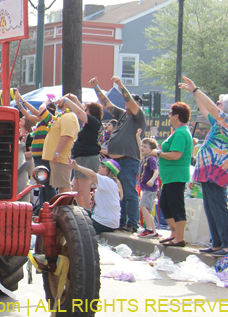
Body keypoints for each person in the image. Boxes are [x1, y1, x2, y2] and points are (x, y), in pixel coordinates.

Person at [178, 75, 228, 256]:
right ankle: (216, 244)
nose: (216, 104)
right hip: (209, 172)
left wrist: (196, 89)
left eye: (219, 102)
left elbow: (212, 109)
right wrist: (194, 93)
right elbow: (206, 110)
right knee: (210, 207)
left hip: (218, 172)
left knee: (218, 207)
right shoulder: (221, 123)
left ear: (227, 108)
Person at [91, 75, 145, 232]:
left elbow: (130, 102)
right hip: (116, 162)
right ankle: (121, 221)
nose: (127, 104)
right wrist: (96, 88)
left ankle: (132, 223)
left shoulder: (138, 116)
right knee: (118, 192)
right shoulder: (122, 115)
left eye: (131, 102)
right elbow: (107, 104)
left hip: (129, 160)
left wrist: (120, 84)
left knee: (129, 193)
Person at [151, 101, 193, 248]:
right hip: (169, 177)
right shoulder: (177, 131)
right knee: (164, 204)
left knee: (176, 206)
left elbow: (176, 155)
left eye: (170, 113)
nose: (168, 116)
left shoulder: (181, 133)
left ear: (176, 116)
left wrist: (158, 153)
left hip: (176, 176)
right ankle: (174, 233)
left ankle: (179, 238)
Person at [64, 97, 103, 209]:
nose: (84, 111)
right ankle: (84, 211)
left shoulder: (94, 122)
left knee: (84, 190)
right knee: (76, 191)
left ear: (92, 112)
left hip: (87, 158)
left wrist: (67, 101)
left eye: (87, 109)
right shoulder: (92, 123)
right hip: (81, 158)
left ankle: (89, 212)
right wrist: (75, 100)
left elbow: (80, 113)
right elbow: (82, 111)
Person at [69, 158, 123, 235]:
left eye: (103, 166)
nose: (99, 167)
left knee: (76, 227)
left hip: (104, 222)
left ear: (110, 171)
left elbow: (92, 174)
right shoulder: (109, 183)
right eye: (100, 165)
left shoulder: (108, 180)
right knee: (79, 213)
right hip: (108, 221)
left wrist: (77, 167)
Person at [42, 97, 79, 194]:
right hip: (57, 157)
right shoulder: (62, 116)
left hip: (61, 157)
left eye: (62, 99)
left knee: (64, 187)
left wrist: (57, 153)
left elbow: (66, 136)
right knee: (61, 188)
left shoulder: (69, 117)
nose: (58, 100)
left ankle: (67, 204)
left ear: (67, 103)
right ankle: (62, 204)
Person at [136, 138, 160, 238]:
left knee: (143, 206)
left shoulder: (151, 159)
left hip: (150, 188)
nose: (142, 148)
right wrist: (138, 136)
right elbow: (139, 146)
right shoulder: (144, 158)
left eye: (145, 147)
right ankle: (153, 230)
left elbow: (156, 171)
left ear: (151, 150)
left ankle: (149, 229)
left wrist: (152, 180)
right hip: (145, 188)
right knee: (147, 209)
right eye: (142, 146)